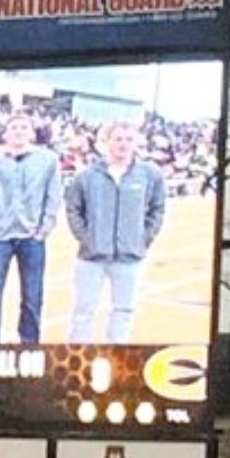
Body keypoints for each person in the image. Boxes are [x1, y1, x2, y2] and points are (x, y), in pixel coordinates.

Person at [65, 120, 166, 343]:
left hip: (130, 257)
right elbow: (73, 209)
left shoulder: (150, 175)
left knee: (123, 311)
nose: (123, 144)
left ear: (136, 143)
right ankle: (78, 357)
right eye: (118, 138)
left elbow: (157, 209)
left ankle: (117, 355)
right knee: (83, 312)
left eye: (129, 139)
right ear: (106, 141)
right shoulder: (86, 176)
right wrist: (87, 239)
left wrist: (143, 238)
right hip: (91, 257)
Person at [0, 114, 62, 344]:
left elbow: (53, 195)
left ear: (31, 133)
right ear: (5, 134)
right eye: (13, 127)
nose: (18, 131)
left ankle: (29, 342)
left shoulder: (47, 160)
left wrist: (45, 227)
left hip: (31, 235)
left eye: (24, 127)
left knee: (32, 293)